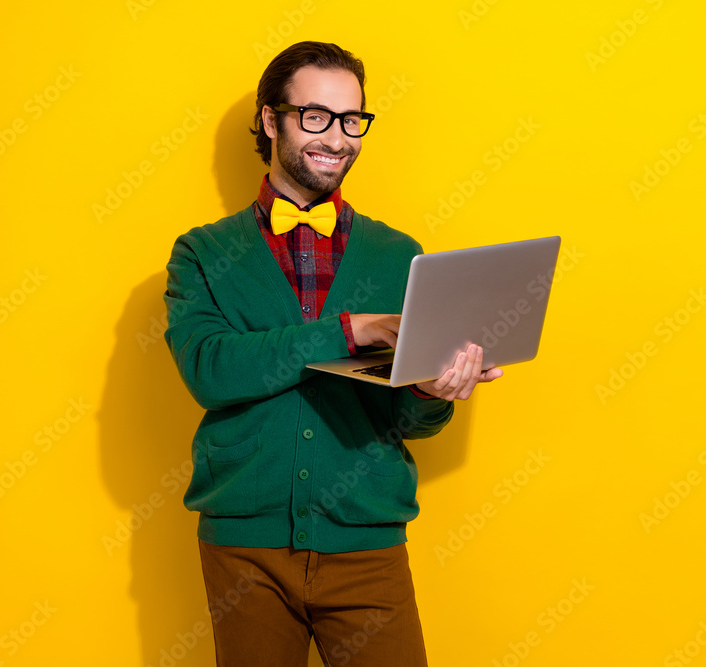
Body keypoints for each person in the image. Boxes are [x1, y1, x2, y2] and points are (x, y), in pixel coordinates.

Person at [163, 41, 501, 666]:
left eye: (352, 120)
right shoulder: (202, 253)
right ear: (271, 120)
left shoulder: (401, 255)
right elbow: (211, 371)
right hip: (245, 548)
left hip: (368, 543)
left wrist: (432, 394)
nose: (338, 138)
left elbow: (405, 420)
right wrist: (350, 330)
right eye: (315, 116)